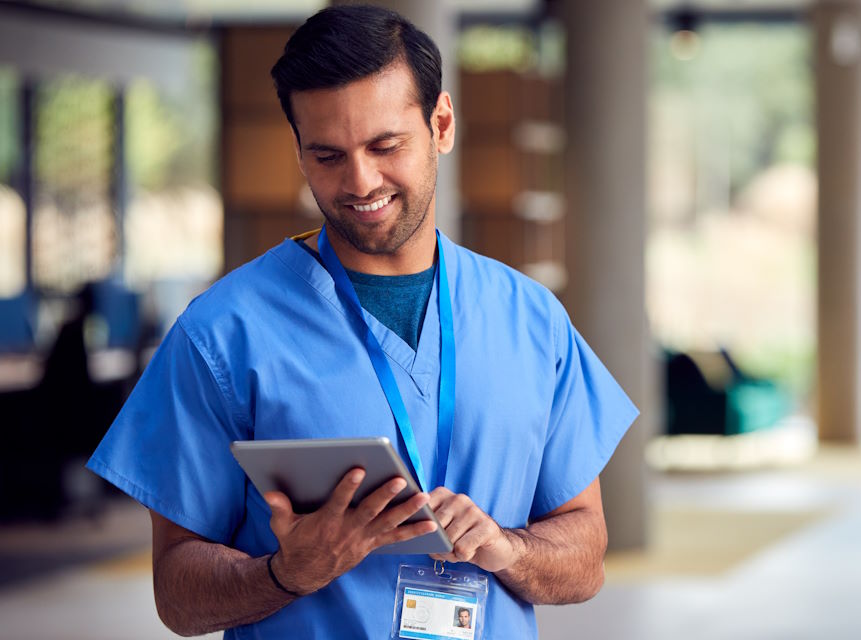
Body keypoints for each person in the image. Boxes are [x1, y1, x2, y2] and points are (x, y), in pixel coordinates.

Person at [87, 5, 637, 638]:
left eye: (385, 145)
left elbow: (585, 553)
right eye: (327, 155)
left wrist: (507, 549)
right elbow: (177, 596)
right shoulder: (221, 335)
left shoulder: (532, 320)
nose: (360, 181)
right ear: (298, 151)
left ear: (442, 124)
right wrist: (285, 573)